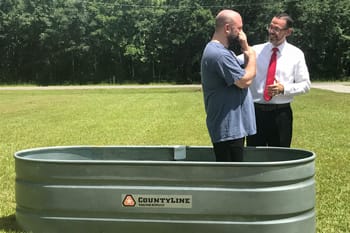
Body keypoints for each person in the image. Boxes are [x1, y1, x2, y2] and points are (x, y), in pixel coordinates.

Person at [246, 13, 311, 147]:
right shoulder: (255, 51)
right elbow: (232, 62)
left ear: (288, 32)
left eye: (277, 29)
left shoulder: (296, 54)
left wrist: (284, 89)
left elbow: (305, 85)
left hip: (281, 115)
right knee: (254, 156)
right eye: (270, 27)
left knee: (281, 156)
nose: (271, 31)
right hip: (256, 113)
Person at [200, 9, 256, 162]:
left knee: (234, 178)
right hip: (228, 129)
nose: (241, 33)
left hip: (233, 127)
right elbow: (245, 81)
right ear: (227, 28)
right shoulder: (219, 54)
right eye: (239, 28)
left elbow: (242, 69)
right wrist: (250, 54)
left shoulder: (224, 52)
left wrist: (245, 48)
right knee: (232, 178)